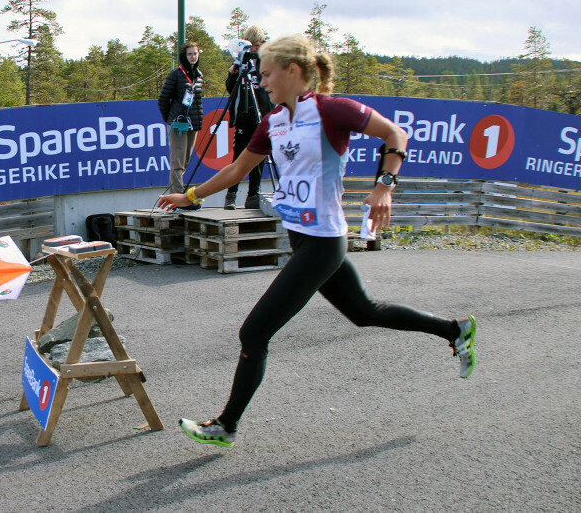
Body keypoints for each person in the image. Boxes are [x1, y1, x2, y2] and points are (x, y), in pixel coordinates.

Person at [156, 35, 477, 448]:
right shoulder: (274, 121)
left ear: (293, 72)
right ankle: (454, 330)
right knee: (364, 312)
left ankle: (226, 425)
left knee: (254, 333)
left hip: (324, 242)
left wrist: (384, 185)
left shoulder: (332, 110)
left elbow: (396, 135)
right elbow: (237, 170)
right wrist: (190, 196)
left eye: (268, 73)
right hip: (303, 241)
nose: (264, 81)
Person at [224, 26, 275, 210]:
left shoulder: (268, 60)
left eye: (258, 45)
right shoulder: (241, 60)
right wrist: (233, 73)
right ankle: (231, 196)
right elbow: (231, 89)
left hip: (263, 115)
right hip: (245, 115)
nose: (255, 49)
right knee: (238, 157)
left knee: (259, 156)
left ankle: (253, 195)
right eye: (252, 45)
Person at [158, 41, 205, 210]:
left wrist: (198, 121)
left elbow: (197, 101)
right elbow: (163, 100)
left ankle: (181, 196)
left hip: (192, 124)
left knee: (184, 162)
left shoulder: (198, 75)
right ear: (184, 56)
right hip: (178, 125)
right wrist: (171, 119)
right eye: (189, 54)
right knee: (177, 163)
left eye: (195, 53)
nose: (193, 57)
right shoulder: (176, 75)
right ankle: (178, 199)